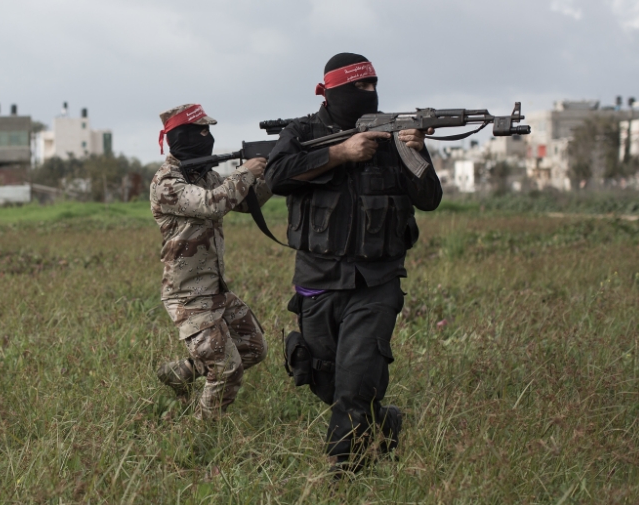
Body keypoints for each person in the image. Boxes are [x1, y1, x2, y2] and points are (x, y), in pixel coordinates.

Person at [264, 53, 442, 474]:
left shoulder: (394, 135)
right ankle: (385, 421)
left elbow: (430, 198)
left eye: (373, 86)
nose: (369, 94)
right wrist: (341, 153)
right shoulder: (303, 131)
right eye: (358, 88)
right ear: (332, 92)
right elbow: (277, 176)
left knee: (355, 383)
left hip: (376, 282)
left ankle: (342, 477)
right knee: (325, 379)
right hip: (318, 281)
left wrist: (417, 151)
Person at [150, 103, 273, 420]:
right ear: (180, 137)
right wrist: (245, 172)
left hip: (214, 288)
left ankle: (184, 371)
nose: (208, 138)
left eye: (209, 131)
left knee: (253, 348)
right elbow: (211, 205)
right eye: (200, 131)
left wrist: (274, 172)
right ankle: (199, 437)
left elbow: (246, 201)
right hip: (187, 294)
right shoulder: (166, 183)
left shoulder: (207, 176)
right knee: (227, 370)